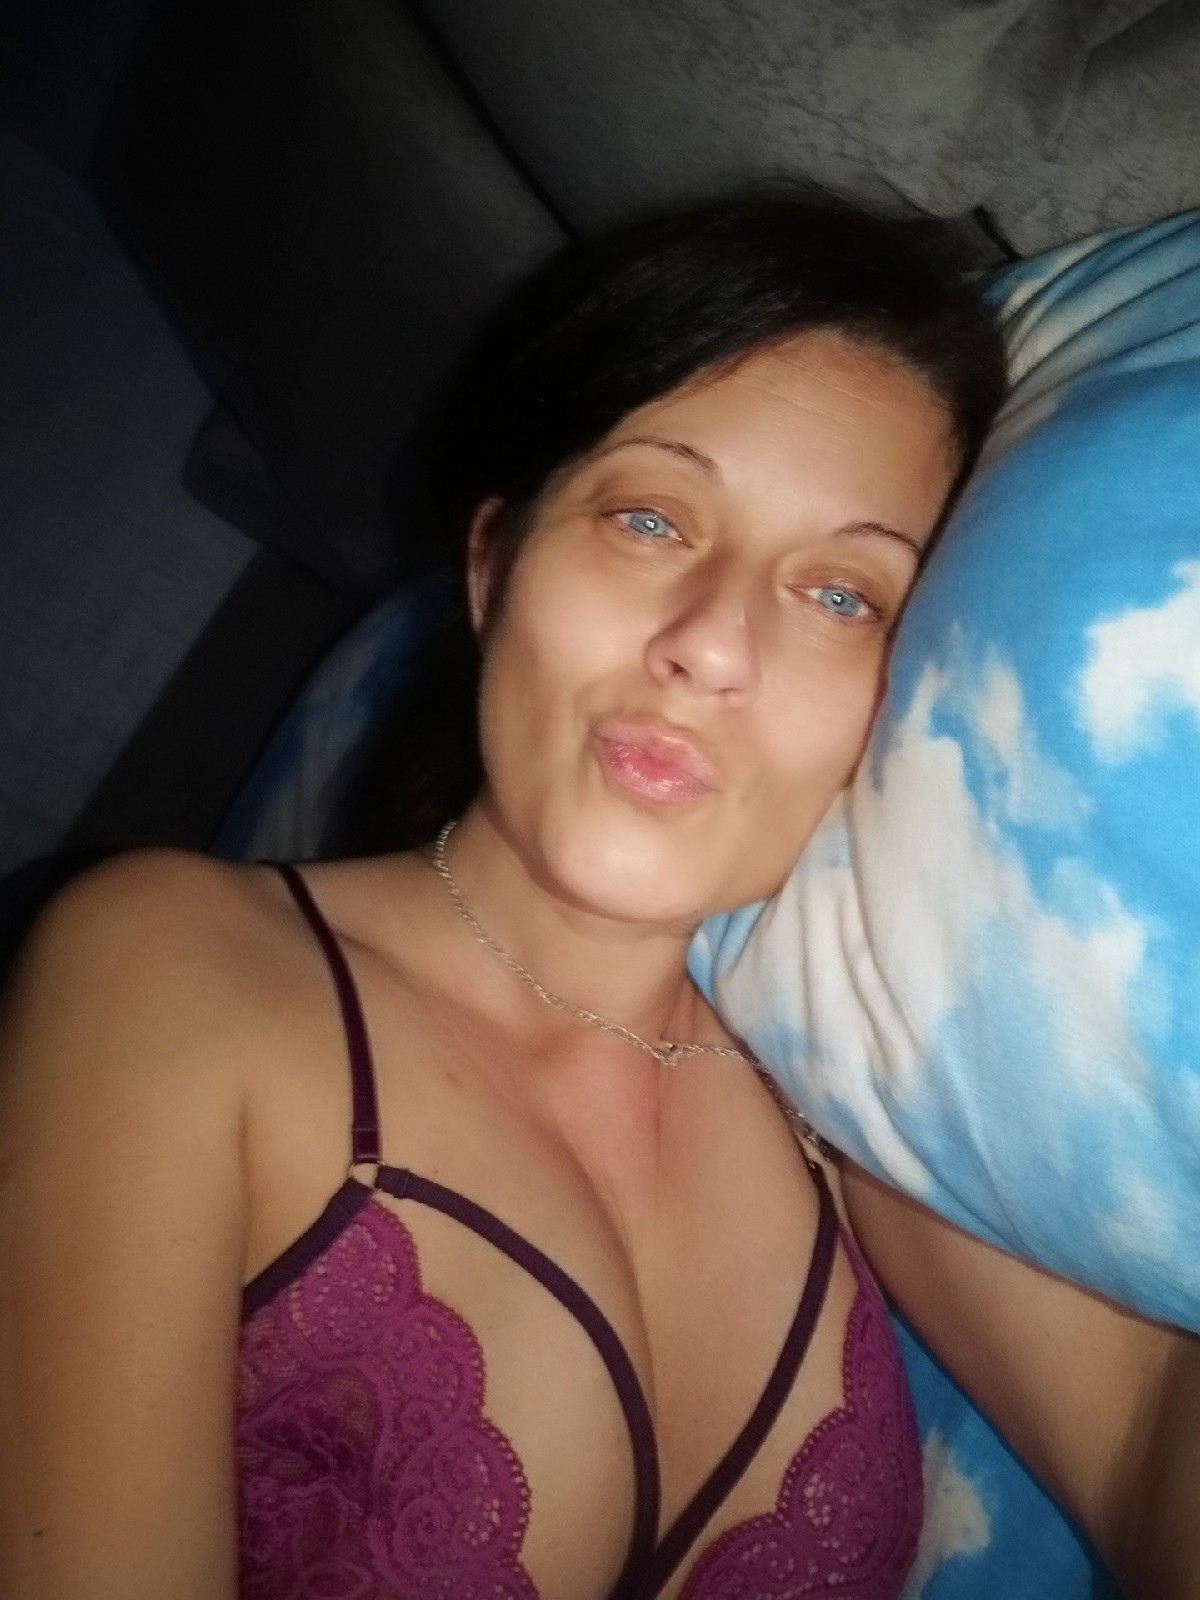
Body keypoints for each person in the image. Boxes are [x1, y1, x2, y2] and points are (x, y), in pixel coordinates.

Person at [0, 195, 1189, 1600]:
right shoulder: (168, 962)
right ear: (492, 563)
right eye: (649, 518)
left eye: (842, 596)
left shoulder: (855, 1113)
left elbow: (1143, 1448)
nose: (711, 645)